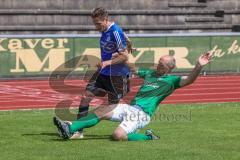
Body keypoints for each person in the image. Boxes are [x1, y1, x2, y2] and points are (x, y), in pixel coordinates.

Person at [54, 53, 212, 141]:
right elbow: (134, 69)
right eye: (159, 62)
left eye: (162, 64)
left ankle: (148, 138)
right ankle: (70, 128)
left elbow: (189, 80)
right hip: (129, 107)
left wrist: (198, 65)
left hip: (142, 114)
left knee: (117, 136)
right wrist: (123, 57)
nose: (158, 65)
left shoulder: (172, 81)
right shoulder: (151, 73)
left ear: (169, 68)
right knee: (102, 110)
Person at [73, 7, 133, 139]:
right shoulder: (106, 30)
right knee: (86, 96)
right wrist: (128, 44)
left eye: (98, 24)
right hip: (103, 73)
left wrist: (107, 62)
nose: (96, 27)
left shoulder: (115, 31)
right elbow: (124, 41)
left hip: (117, 76)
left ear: (106, 20)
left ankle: (131, 123)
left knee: (111, 108)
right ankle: (78, 131)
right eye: (94, 23)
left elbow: (124, 57)